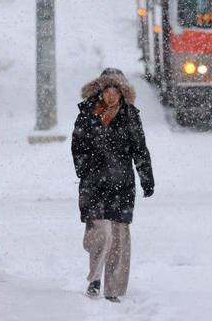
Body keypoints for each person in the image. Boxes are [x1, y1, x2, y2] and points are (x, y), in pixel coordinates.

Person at [71, 68, 154, 302]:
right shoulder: (88, 114)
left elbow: (139, 148)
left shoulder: (130, 116)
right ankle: (95, 279)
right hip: (94, 185)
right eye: (107, 90)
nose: (111, 96)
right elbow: (78, 145)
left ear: (122, 93)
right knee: (102, 233)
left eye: (115, 91)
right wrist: (85, 169)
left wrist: (146, 176)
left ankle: (114, 289)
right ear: (100, 91)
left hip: (122, 184)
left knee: (119, 237)